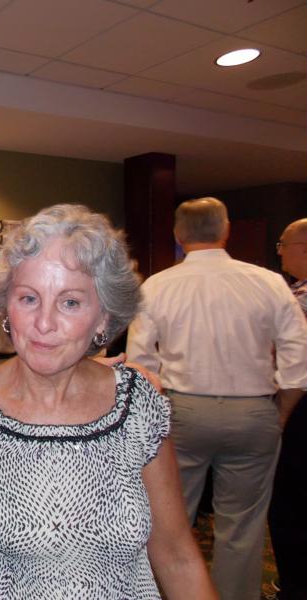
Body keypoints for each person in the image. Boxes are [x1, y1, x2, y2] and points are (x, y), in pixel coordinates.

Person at [0, 204, 216, 599]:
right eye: (28, 298)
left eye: (70, 302)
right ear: (6, 305)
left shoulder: (136, 405)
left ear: (103, 317)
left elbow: (177, 558)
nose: (44, 323)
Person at [126, 198, 307, 600]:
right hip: (254, 411)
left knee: (170, 519)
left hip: (182, 411)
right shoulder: (268, 282)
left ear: (178, 235)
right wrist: (281, 413)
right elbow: (298, 357)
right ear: (226, 230)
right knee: (243, 525)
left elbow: (140, 361)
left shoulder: (157, 286)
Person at [268, 218, 307, 600]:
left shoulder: (298, 300)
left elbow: (289, 357)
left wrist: (282, 413)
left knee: (291, 504)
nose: (278, 250)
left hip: (302, 407)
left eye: (284, 243)